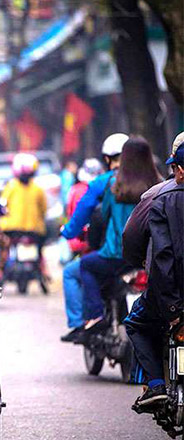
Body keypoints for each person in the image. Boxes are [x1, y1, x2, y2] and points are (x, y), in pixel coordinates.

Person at [63, 135, 160, 338]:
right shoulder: (159, 184)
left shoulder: (111, 185)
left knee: (84, 266)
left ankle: (95, 316)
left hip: (117, 254)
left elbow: (99, 215)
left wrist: (69, 232)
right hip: (152, 256)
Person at [124, 143, 184, 410]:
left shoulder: (160, 198)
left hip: (170, 294)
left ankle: (156, 384)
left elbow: (163, 257)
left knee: (136, 322)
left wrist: (172, 307)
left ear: (179, 170)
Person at [122, 131, 183, 269]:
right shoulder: (159, 189)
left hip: (167, 283)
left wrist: (144, 263)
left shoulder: (158, 194)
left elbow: (130, 236)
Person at [60, 158, 104, 342]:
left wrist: (68, 232)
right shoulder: (152, 183)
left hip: (106, 253)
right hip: (137, 255)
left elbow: (76, 220)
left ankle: (82, 322)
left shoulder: (93, 188)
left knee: (73, 272)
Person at [0, 153, 48, 279]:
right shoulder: (38, 189)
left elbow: (2, 204)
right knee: (40, 250)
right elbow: (44, 209)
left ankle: (0, 271)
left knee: (5, 248)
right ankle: (43, 271)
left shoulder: (11, 186)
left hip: (12, 229)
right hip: (34, 229)